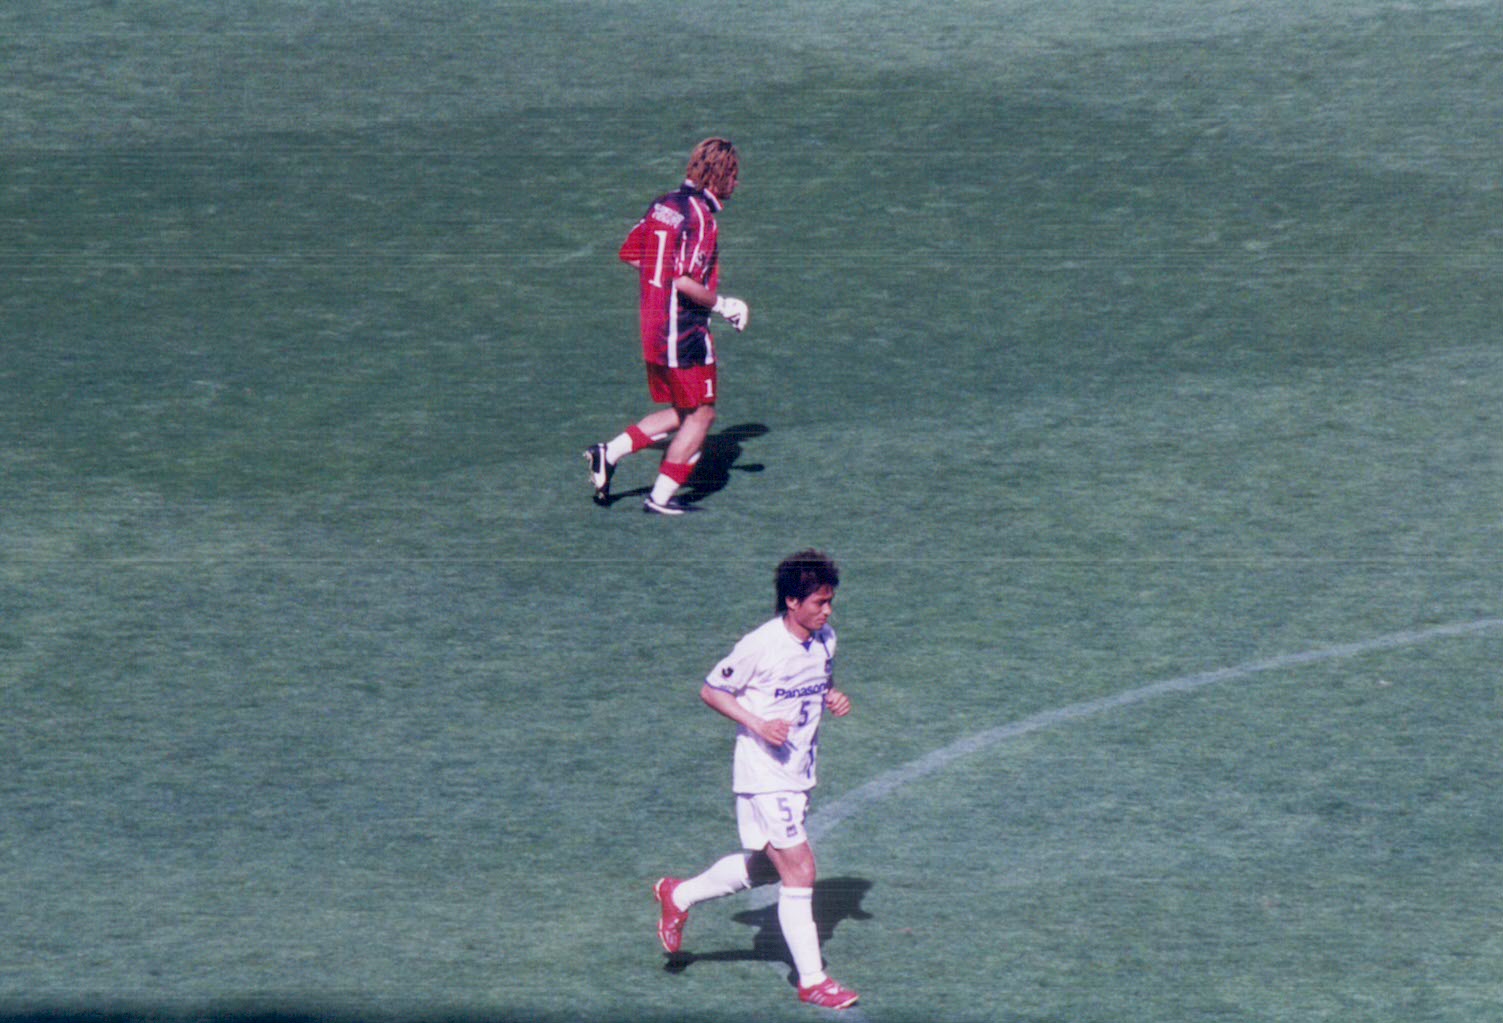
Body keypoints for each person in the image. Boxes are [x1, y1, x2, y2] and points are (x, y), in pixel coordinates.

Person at [653, 550, 860, 1010]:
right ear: (792, 601)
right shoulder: (760, 645)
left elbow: (819, 681)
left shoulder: (825, 639)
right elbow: (712, 690)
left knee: (768, 868)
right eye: (819, 602)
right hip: (764, 773)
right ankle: (812, 980)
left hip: (799, 771)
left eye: (830, 601)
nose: (827, 611)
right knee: (801, 869)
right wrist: (758, 723)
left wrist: (833, 697)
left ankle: (678, 894)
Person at [584, 137, 750, 516]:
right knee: (703, 414)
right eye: (733, 175)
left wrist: (660, 282)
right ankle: (659, 499)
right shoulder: (701, 219)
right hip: (684, 331)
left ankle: (608, 453)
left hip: (653, 324)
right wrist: (723, 305)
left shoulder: (664, 204)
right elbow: (683, 280)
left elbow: (631, 253)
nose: (737, 183)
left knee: (684, 409)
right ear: (719, 176)